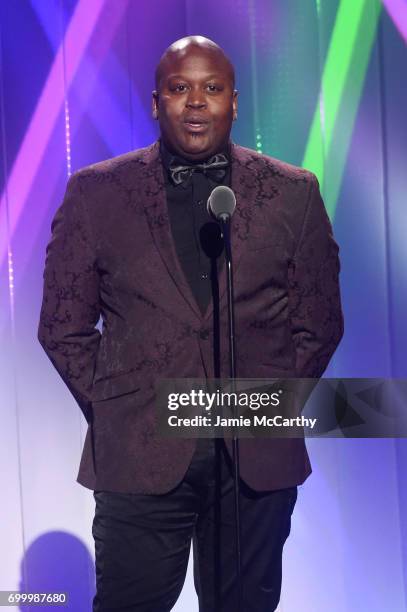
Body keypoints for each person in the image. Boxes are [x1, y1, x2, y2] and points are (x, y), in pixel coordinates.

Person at [38, 35, 343, 612]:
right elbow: (62, 325)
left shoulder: (292, 193)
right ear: (157, 103)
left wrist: (261, 406)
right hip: (140, 457)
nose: (196, 102)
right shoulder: (97, 193)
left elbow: (319, 321)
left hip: (253, 463)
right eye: (180, 88)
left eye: (211, 88)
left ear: (234, 102)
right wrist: (121, 408)